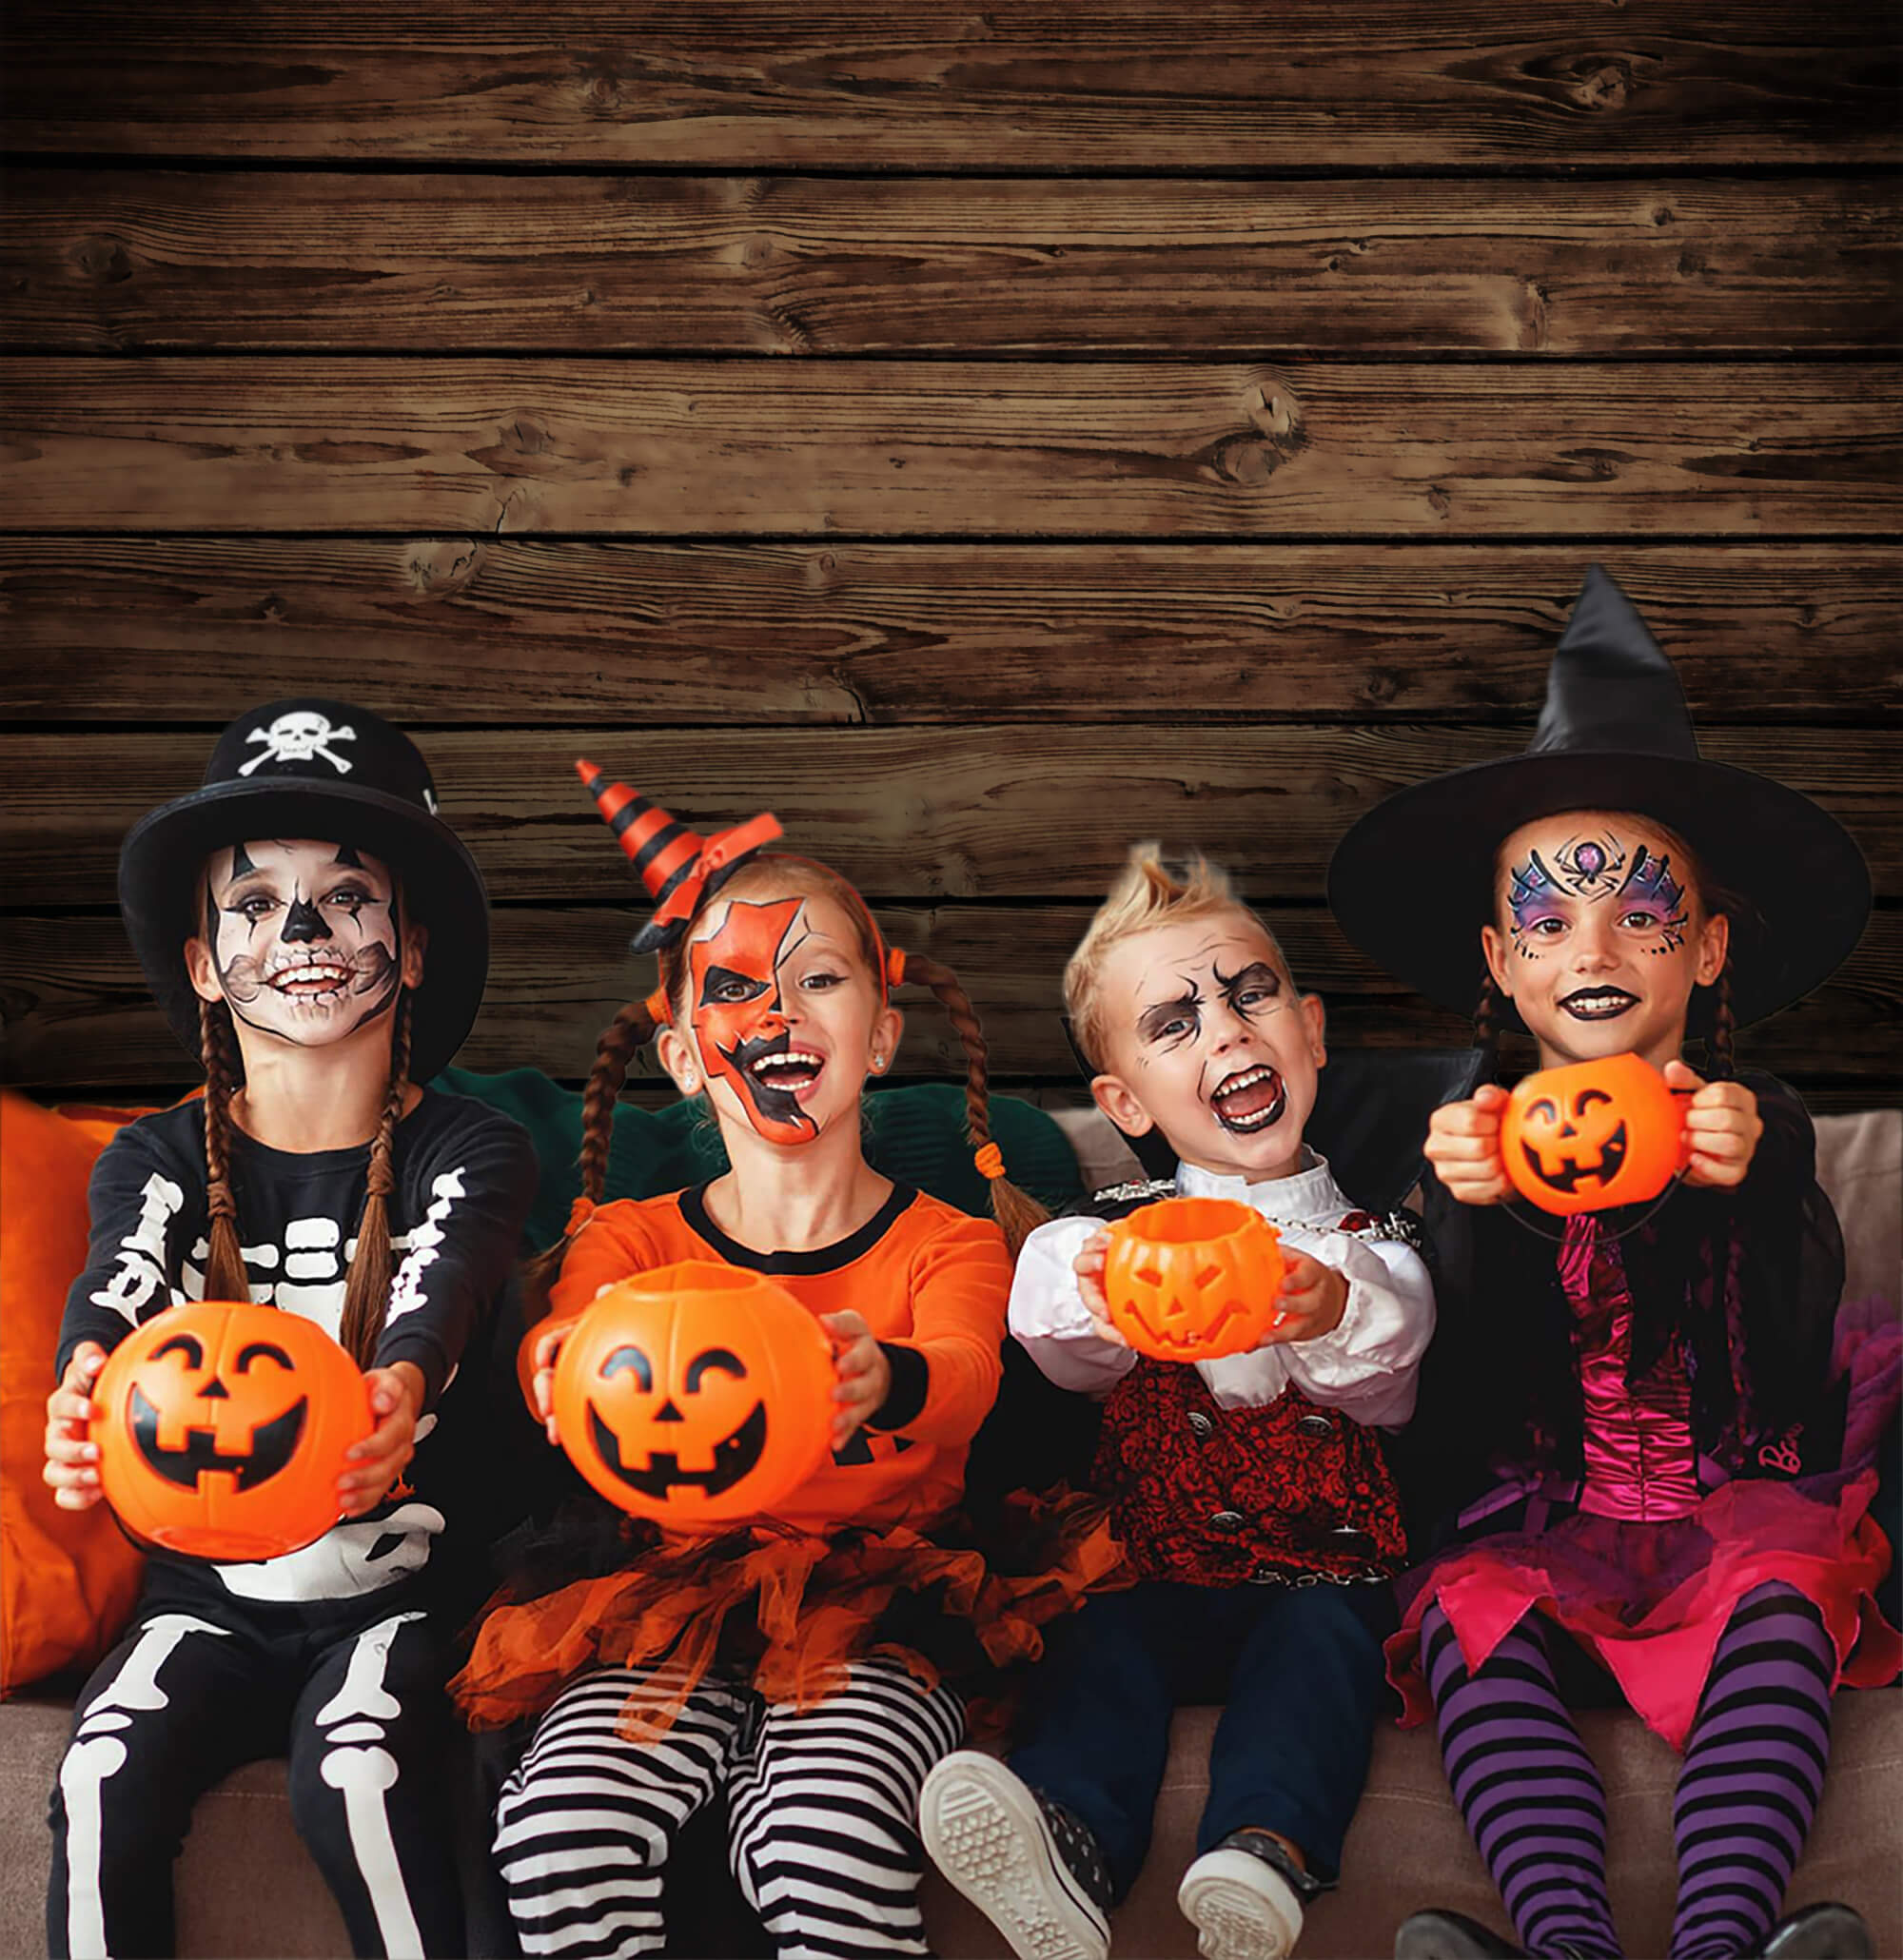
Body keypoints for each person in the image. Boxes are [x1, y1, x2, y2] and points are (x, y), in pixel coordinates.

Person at [1327, 567, 1899, 1960]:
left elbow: (1783, 1349)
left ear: (1704, 949)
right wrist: (1461, 1215)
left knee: (1786, 1602)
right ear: (1502, 962)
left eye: (1641, 914)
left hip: (1727, 1499)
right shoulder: (1460, 1132)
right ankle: (1565, 1943)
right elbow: (1449, 1394)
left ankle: (1719, 1941)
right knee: (1468, 1629)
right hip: (1543, 1513)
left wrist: (1753, 1180)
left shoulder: (1753, 1126)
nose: (1594, 945)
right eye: (1549, 918)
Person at [452, 766, 1079, 1960]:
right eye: (736, 986)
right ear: (686, 1054)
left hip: (879, 1594)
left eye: (819, 979)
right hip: (660, 1583)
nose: (779, 1012)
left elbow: (964, 1371)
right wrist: (550, 1359)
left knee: (822, 1834)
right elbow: (572, 1330)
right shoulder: (627, 1237)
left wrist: (882, 1376)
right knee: (558, 1828)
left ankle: (800, 1831)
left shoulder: (947, 1239)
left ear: (882, 1035)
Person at [41, 698, 539, 1960]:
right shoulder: (154, 1158)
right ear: (206, 962)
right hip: (205, 1598)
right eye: (256, 904)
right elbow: (121, 1285)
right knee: (100, 1779)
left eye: (346, 896)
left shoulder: (470, 1149)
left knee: (360, 1775)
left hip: (405, 1595)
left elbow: (446, 1282)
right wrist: (82, 1390)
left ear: (412, 947)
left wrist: (394, 1391)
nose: (303, 932)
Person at [919, 844, 1436, 1960]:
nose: (1226, 1030)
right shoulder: (1109, 1233)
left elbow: (1388, 1373)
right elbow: (1057, 1339)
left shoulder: (1370, 1243)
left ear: (1311, 1033)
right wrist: (1093, 1282)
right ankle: (1069, 1848)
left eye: (1251, 996)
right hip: (1154, 1565)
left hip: (1322, 1564)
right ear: (1124, 1101)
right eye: (1174, 1021)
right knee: (1097, 1646)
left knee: (1322, 1651)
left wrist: (1321, 1309)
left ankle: (1259, 1854)